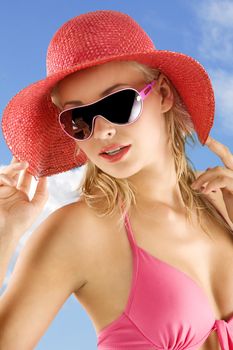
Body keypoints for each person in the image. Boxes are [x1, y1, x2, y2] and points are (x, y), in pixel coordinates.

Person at [0, 9, 233, 350]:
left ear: (164, 94)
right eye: (79, 118)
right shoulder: (79, 231)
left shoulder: (222, 205)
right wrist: (4, 233)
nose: (103, 130)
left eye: (120, 103)